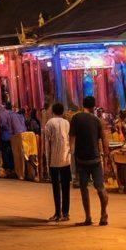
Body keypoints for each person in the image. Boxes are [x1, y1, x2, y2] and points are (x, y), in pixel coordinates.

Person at [68, 94, 109, 226]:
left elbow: (71, 139)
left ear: (82, 105)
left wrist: (70, 153)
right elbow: (104, 138)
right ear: (93, 106)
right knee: (100, 188)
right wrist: (106, 155)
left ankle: (88, 217)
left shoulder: (75, 118)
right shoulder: (97, 121)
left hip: (81, 159)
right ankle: (104, 214)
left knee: (83, 188)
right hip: (95, 159)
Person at [42, 101, 71, 222]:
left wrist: (47, 159)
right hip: (66, 159)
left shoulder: (50, 123)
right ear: (62, 112)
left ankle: (57, 213)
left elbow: (47, 143)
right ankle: (65, 213)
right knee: (66, 187)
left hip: (54, 159)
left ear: (53, 111)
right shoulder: (66, 123)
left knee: (56, 187)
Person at [0, 101, 20, 178]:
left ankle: (6, 169)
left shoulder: (3, 114)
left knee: (5, 153)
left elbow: (2, 124)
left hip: (5, 136)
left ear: (5, 107)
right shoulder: (14, 114)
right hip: (14, 136)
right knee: (12, 153)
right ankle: (13, 169)